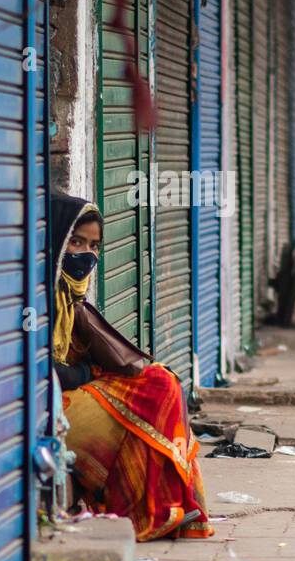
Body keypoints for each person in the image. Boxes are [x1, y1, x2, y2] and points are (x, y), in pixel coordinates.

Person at [49, 194, 213, 542]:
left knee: (162, 383)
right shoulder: (38, 296)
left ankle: (168, 506)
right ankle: (149, 510)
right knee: (149, 401)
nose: (86, 254)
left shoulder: (70, 298)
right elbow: (40, 368)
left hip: (68, 394)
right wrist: (86, 374)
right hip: (50, 407)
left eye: (94, 245)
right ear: (56, 238)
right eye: (76, 242)